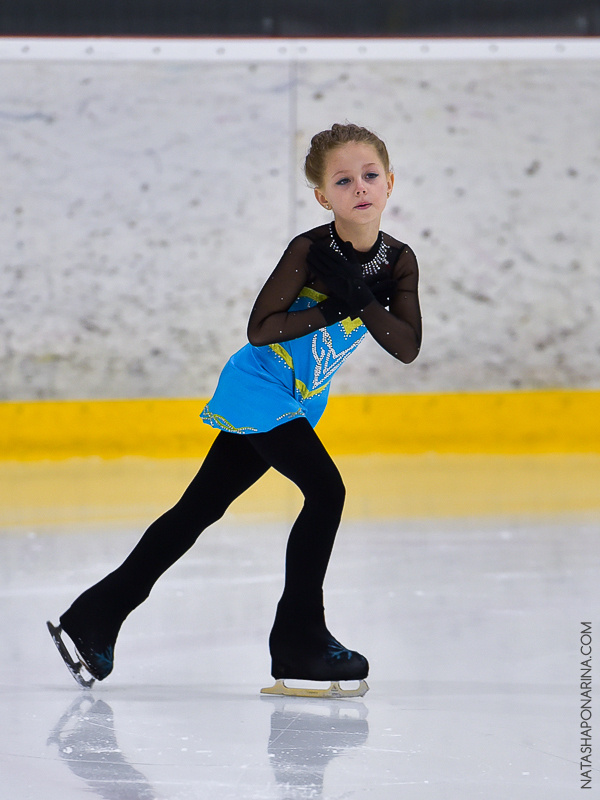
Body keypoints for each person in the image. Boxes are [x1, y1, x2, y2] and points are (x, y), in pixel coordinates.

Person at [48, 123, 422, 695]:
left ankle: (94, 615)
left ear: (390, 182)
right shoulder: (309, 251)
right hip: (260, 387)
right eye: (343, 181)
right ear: (323, 196)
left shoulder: (398, 261)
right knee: (327, 492)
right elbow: (261, 329)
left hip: (298, 398)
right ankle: (299, 640)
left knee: (199, 508)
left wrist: (362, 297)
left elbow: (406, 345)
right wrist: (332, 308)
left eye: (370, 175)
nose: (360, 188)